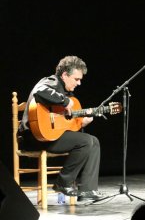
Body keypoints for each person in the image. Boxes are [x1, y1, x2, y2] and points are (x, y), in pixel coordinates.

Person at [18, 55, 103, 201]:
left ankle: (87, 190)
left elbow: (63, 124)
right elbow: (40, 91)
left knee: (93, 141)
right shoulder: (52, 81)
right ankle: (63, 183)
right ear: (64, 75)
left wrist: (82, 123)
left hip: (49, 136)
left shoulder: (66, 92)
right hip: (32, 137)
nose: (79, 83)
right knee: (86, 141)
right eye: (76, 79)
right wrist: (64, 101)